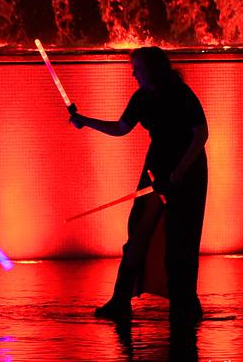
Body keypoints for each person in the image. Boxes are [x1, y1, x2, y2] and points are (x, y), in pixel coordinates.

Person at [69, 46, 209, 325]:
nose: (134, 74)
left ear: (154, 69)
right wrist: (84, 121)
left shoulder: (181, 94)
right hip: (156, 168)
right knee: (139, 231)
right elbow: (121, 128)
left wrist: (180, 173)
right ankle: (120, 301)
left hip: (188, 172)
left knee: (180, 236)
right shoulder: (142, 97)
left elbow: (201, 133)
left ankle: (185, 305)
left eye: (138, 69)